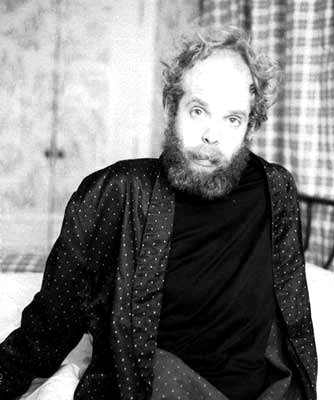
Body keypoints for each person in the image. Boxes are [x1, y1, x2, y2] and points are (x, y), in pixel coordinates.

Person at [0, 26, 317, 400]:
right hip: (150, 389)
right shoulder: (117, 190)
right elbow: (51, 323)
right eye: (198, 111)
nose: (212, 136)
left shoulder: (275, 189)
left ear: (250, 127)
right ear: (171, 108)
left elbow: (294, 320)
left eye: (233, 119)